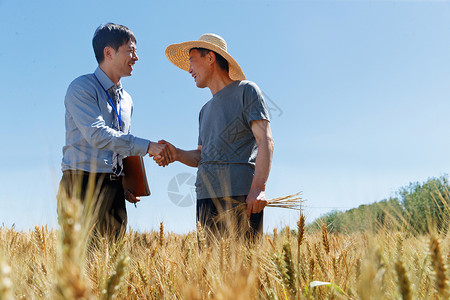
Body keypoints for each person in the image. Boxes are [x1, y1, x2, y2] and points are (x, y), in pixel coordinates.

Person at [58, 23, 171, 238]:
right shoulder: (81, 88)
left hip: (115, 190)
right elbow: (97, 134)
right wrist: (148, 147)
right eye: (130, 50)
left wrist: (127, 183)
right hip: (80, 187)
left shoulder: (127, 100)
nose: (136, 57)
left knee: (111, 264)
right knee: (81, 265)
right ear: (108, 53)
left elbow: (121, 145)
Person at [158, 33, 274, 241]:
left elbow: (265, 141)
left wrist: (258, 188)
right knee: (209, 271)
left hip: (240, 198)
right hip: (205, 197)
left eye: (192, 61)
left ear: (210, 58)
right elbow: (201, 157)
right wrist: (176, 153)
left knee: (244, 270)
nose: (189, 70)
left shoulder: (247, 91)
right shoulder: (204, 110)